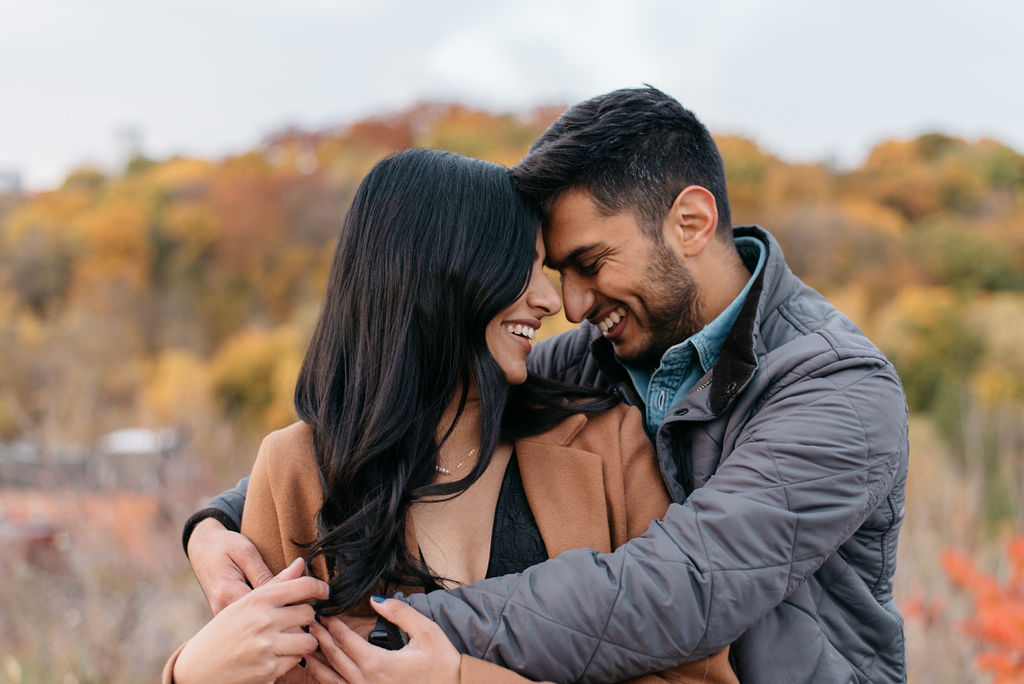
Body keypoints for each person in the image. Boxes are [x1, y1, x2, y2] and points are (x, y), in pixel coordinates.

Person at [185, 87, 910, 683]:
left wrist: (368, 635)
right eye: (557, 272)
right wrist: (214, 527)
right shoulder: (595, 361)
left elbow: (680, 589)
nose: (572, 305)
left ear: (691, 221)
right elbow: (402, 421)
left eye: (590, 262)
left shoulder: (839, 391)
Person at [166, 148, 736, 683]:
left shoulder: (611, 445)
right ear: (443, 274)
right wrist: (189, 673)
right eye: (526, 268)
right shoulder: (296, 470)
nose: (550, 301)